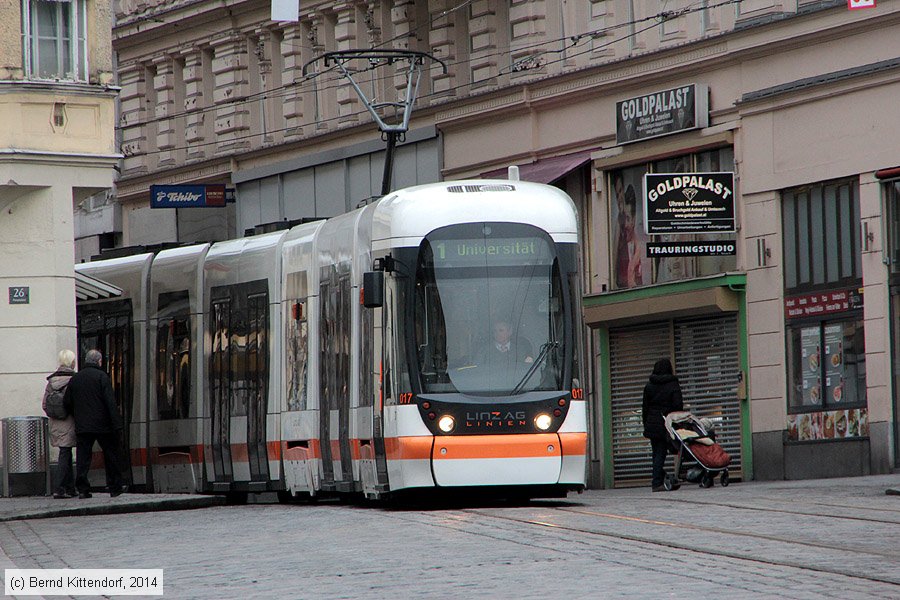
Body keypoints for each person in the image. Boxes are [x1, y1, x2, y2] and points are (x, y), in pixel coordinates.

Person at [63, 349, 127, 498]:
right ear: (99, 361)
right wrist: (117, 424)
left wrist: (77, 415)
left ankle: (83, 489)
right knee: (110, 455)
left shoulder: (75, 378)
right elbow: (110, 402)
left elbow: (67, 402)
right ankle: (114, 487)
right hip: (103, 425)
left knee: (83, 458)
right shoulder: (102, 377)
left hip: (83, 425)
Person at [642, 358, 683, 492]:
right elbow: (678, 405)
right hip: (666, 422)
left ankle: (661, 477)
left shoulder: (649, 386)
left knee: (657, 453)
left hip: (652, 423)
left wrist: (646, 424)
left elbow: (645, 408)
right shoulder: (673, 384)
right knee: (661, 453)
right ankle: (657, 482)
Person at [42, 350, 77, 499]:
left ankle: (70, 488)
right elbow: (75, 404)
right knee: (65, 454)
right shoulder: (74, 380)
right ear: (72, 362)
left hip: (56, 422)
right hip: (69, 422)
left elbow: (45, 405)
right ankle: (60, 488)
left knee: (66, 453)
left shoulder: (51, 382)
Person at [614, 185, 644, 288]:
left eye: (628, 218)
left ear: (634, 219)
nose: (625, 225)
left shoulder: (641, 248)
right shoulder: (622, 246)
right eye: (624, 219)